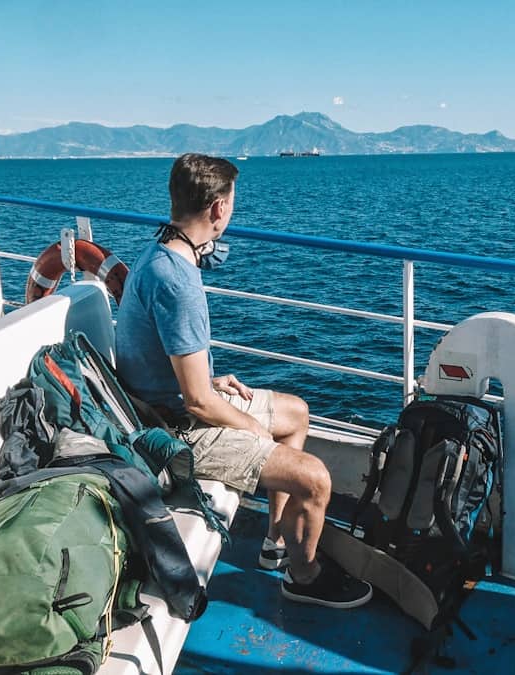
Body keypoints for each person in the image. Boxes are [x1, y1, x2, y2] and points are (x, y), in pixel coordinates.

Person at [115, 153, 372, 609]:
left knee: (295, 414)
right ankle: (305, 576)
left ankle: (277, 541)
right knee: (314, 479)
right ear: (218, 209)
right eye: (232, 203)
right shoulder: (178, 282)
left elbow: (166, 362)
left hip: (166, 401)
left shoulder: (161, 254)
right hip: (172, 427)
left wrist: (209, 378)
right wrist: (247, 427)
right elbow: (196, 404)